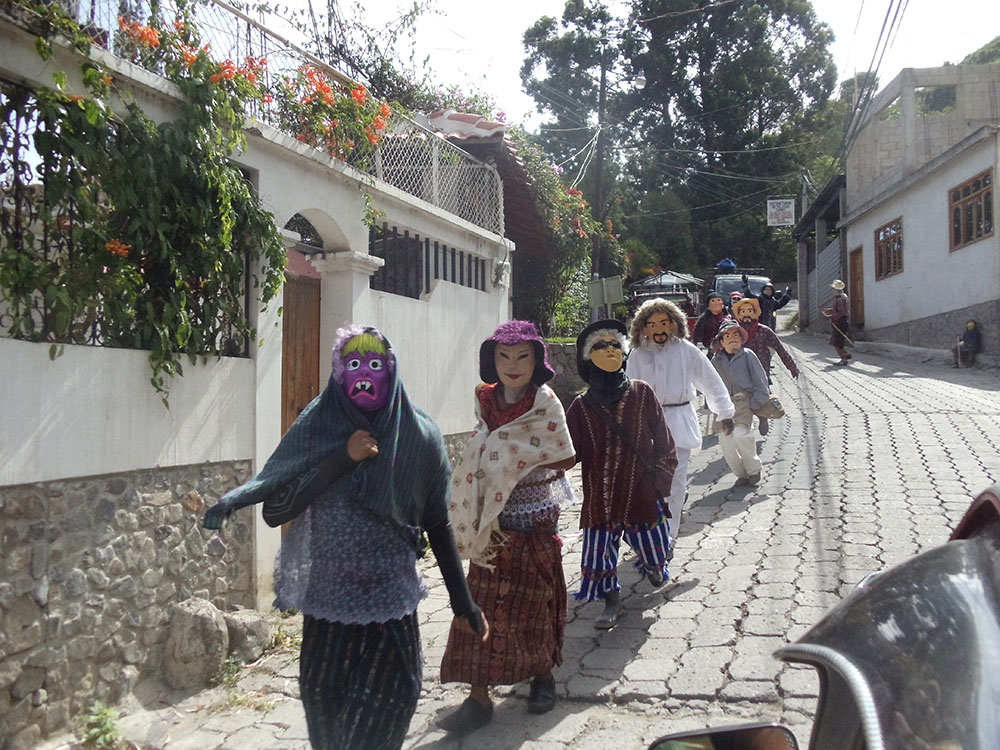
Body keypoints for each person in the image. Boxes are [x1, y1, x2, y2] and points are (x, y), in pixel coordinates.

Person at [201, 325, 484, 750]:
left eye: (374, 364)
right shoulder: (317, 426)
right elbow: (277, 509)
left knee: (380, 724)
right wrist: (341, 459)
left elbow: (436, 523)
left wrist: (463, 603)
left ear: (392, 371)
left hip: (391, 612)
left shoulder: (419, 437)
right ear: (338, 374)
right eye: (352, 364)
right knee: (330, 731)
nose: (364, 374)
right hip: (328, 615)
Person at [439, 321, 577, 733]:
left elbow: (566, 457)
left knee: (535, 603)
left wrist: (517, 458)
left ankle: (541, 679)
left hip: (532, 518)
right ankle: (478, 697)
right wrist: (493, 460)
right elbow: (486, 444)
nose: (512, 365)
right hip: (490, 524)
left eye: (522, 357)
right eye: (504, 356)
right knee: (479, 603)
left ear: (537, 360)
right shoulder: (485, 400)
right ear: (492, 360)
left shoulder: (545, 401)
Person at [565, 319, 678, 629]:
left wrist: (659, 478)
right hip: (600, 496)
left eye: (615, 344)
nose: (610, 350)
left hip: (640, 491)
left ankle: (654, 567)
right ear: (588, 357)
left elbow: (666, 443)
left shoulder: (642, 393)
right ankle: (611, 600)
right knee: (598, 552)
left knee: (655, 550)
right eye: (600, 345)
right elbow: (568, 453)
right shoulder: (580, 407)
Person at [625, 299, 735, 549]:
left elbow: (710, 381)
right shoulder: (637, 355)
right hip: (647, 425)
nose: (659, 329)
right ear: (643, 328)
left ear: (674, 324)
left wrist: (725, 412)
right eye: (652, 324)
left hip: (680, 420)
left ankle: (668, 539)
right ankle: (653, 529)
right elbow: (629, 391)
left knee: (675, 481)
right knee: (651, 483)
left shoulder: (686, 351)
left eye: (664, 323)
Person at [710, 321, 770, 487]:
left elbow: (761, 380)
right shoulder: (716, 361)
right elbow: (710, 384)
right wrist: (711, 403)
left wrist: (757, 402)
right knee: (726, 443)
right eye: (727, 336)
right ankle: (741, 474)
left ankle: (754, 470)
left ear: (742, 339)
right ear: (721, 342)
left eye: (735, 335)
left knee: (741, 435)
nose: (732, 339)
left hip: (743, 401)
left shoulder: (748, 355)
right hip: (723, 406)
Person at [731, 297, 798, 435]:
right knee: (743, 401)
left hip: (761, 372)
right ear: (738, 315)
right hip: (740, 375)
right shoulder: (734, 333)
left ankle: (762, 418)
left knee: (761, 397)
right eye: (742, 311)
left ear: (756, 313)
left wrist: (792, 366)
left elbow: (780, 348)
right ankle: (744, 425)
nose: (746, 314)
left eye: (750, 311)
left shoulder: (765, 331)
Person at [821, 279, 852, 366]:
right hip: (840, 322)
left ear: (836, 290)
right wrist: (830, 310)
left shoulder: (840, 300)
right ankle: (844, 354)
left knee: (836, 342)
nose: (832, 291)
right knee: (837, 342)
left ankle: (843, 358)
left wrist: (830, 316)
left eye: (833, 289)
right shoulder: (840, 298)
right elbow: (837, 309)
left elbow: (841, 312)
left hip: (840, 323)